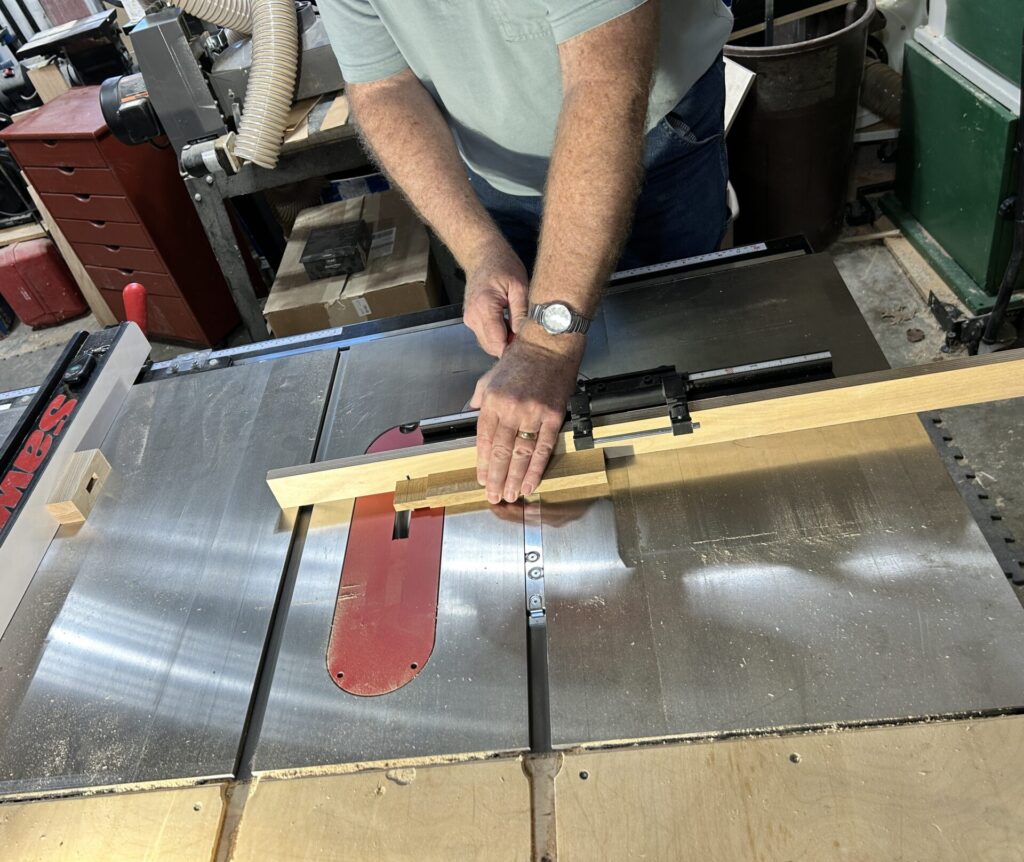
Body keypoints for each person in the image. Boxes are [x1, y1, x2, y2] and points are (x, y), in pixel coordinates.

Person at [320, 0, 733, 504]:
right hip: (496, 171)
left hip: (654, 132)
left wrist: (547, 343)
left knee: (691, 355)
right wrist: (479, 249)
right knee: (543, 371)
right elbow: (382, 87)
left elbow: (606, 84)